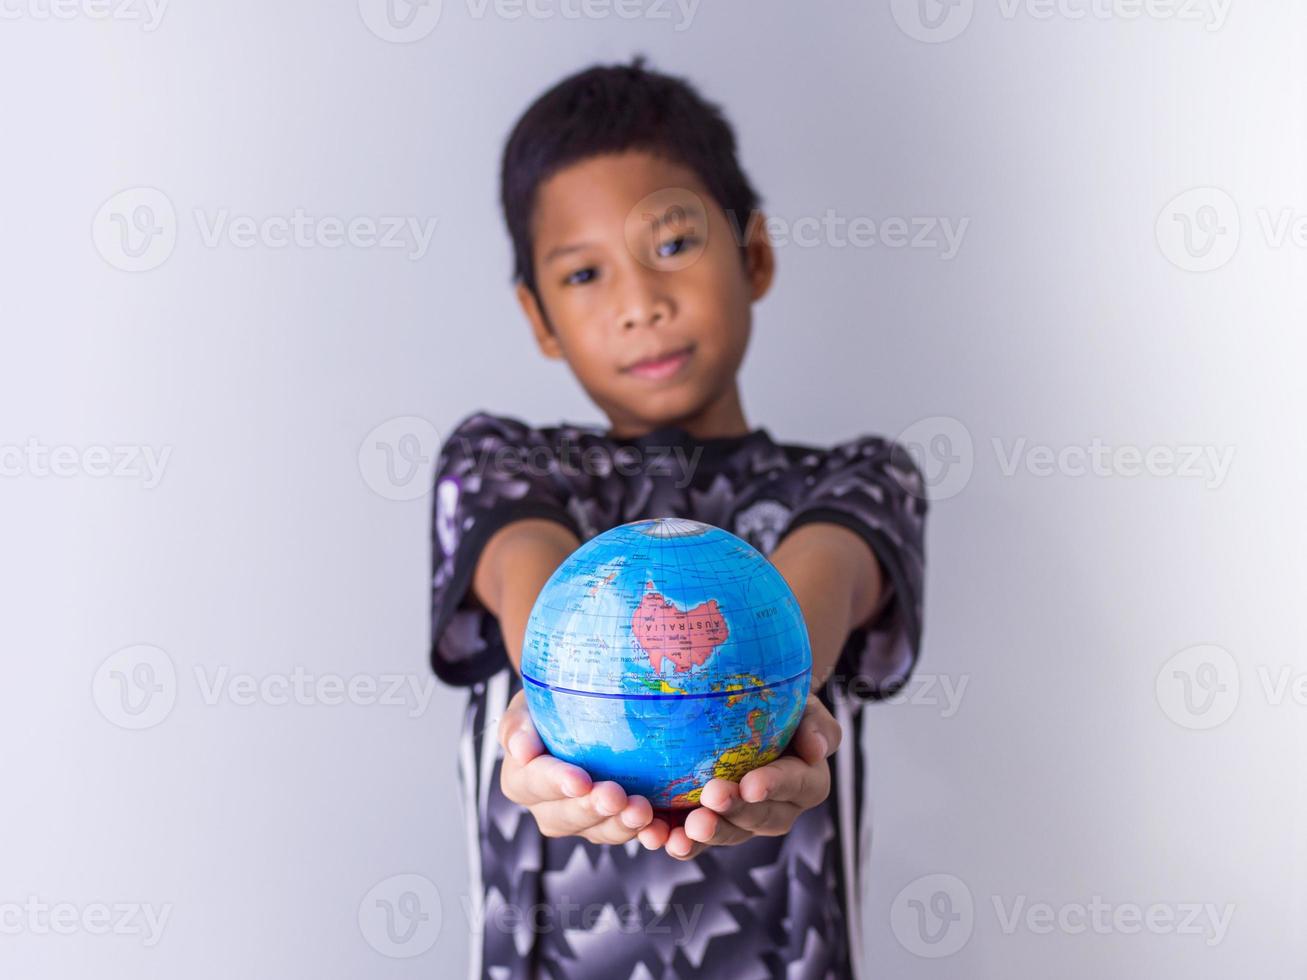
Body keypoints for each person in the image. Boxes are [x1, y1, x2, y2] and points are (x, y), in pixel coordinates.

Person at [429, 54, 928, 980]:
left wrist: (784, 696)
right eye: (582, 276)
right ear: (537, 319)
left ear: (755, 255)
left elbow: (811, 593)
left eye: (671, 245)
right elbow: (531, 582)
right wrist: (562, 705)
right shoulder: (497, 466)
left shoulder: (861, 480)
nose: (639, 305)